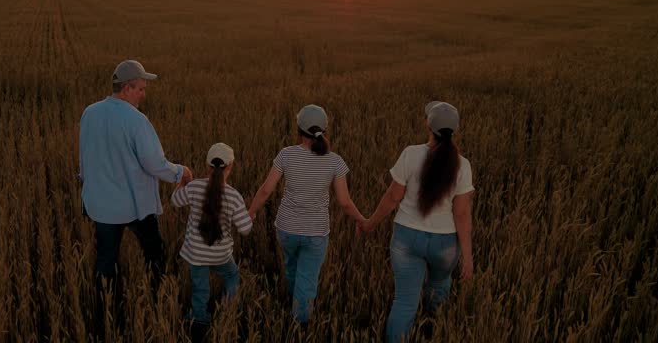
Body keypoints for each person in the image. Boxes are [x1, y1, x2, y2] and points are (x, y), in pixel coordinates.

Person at [78, 60, 193, 320]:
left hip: (101, 205)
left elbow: (84, 156)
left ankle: (103, 311)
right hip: (134, 206)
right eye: (140, 88)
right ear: (127, 88)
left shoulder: (90, 112)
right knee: (154, 252)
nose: (144, 93)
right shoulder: (136, 120)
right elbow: (154, 164)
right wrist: (181, 172)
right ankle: (160, 298)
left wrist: (86, 182)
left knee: (106, 259)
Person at [360, 101, 474, 343]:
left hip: (407, 239)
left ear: (427, 125)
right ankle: (433, 331)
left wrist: (370, 223)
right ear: (456, 130)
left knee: (404, 302)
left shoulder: (411, 154)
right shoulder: (463, 165)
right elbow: (462, 214)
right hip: (445, 245)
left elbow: (393, 197)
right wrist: (467, 256)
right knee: (440, 287)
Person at [248, 104, 365, 325]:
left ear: (298, 129)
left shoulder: (286, 154)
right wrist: (362, 220)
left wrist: (251, 212)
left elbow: (265, 190)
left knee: (292, 267)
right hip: (315, 233)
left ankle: (293, 305)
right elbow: (345, 203)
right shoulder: (335, 161)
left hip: (286, 229)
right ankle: (299, 326)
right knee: (307, 279)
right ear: (325, 129)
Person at [170, 143, 252, 338]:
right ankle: (229, 311)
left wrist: (182, 184)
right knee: (232, 277)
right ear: (230, 166)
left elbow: (175, 200)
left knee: (200, 288)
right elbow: (246, 229)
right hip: (221, 255)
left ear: (207, 166)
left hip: (195, 254)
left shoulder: (194, 186)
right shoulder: (234, 196)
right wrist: (250, 217)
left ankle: (199, 320)